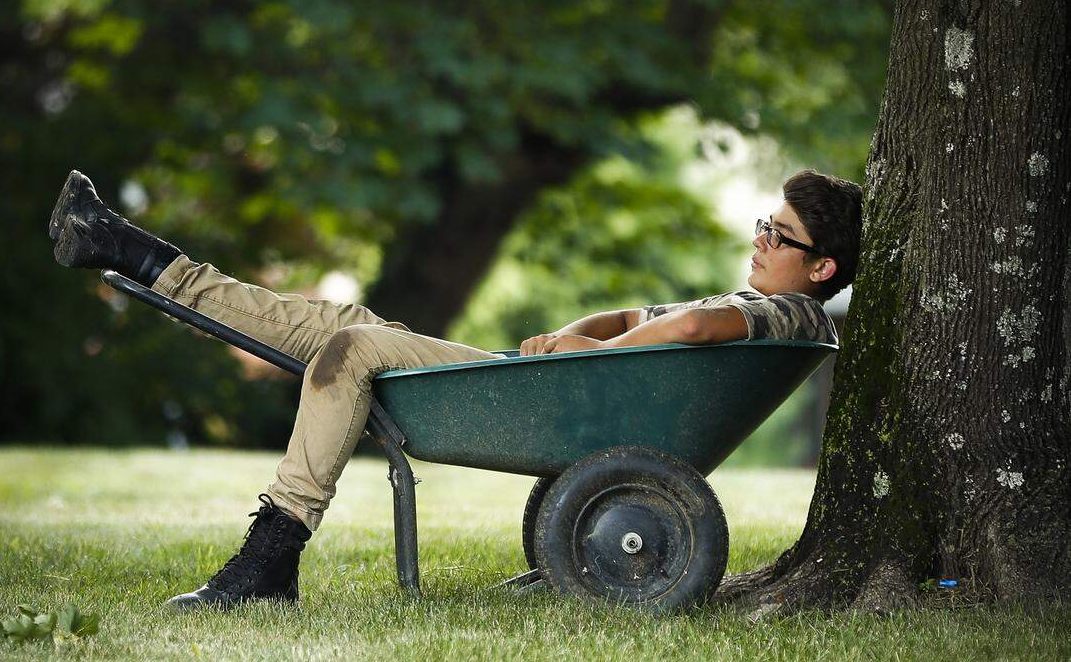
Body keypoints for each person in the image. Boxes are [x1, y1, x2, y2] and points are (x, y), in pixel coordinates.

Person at [48, 168, 861, 610]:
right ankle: (130, 250)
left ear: (820, 268)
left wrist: (581, 354)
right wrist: (586, 334)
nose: (760, 240)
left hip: (554, 398)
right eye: (762, 223)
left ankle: (272, 553)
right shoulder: (753, 299)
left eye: (779, 235)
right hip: (556, 389)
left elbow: (687, 333)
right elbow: (635, 316)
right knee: (340, 323)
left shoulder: (785, 312)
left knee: (353, 342)